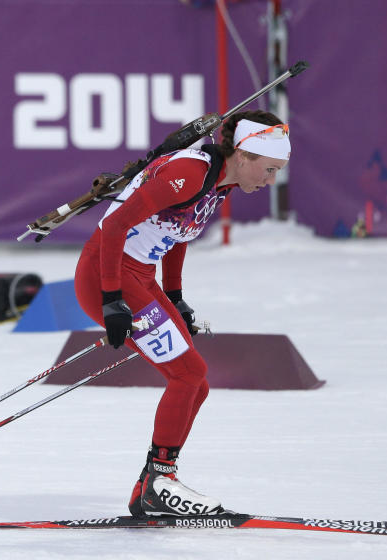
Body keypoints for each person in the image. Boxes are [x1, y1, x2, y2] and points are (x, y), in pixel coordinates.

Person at [73, 110, 290, 517]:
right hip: (109, 271)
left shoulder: (219, 182)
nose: (271, 180)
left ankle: (150, 487)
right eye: (269, 168)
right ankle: (159, 482)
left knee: (196, 382)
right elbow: (116, 224)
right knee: (187, 373)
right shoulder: (191, 172)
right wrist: (111, 299)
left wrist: (175, 295)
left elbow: (177, 230)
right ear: (243, 154)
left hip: (138, 275)